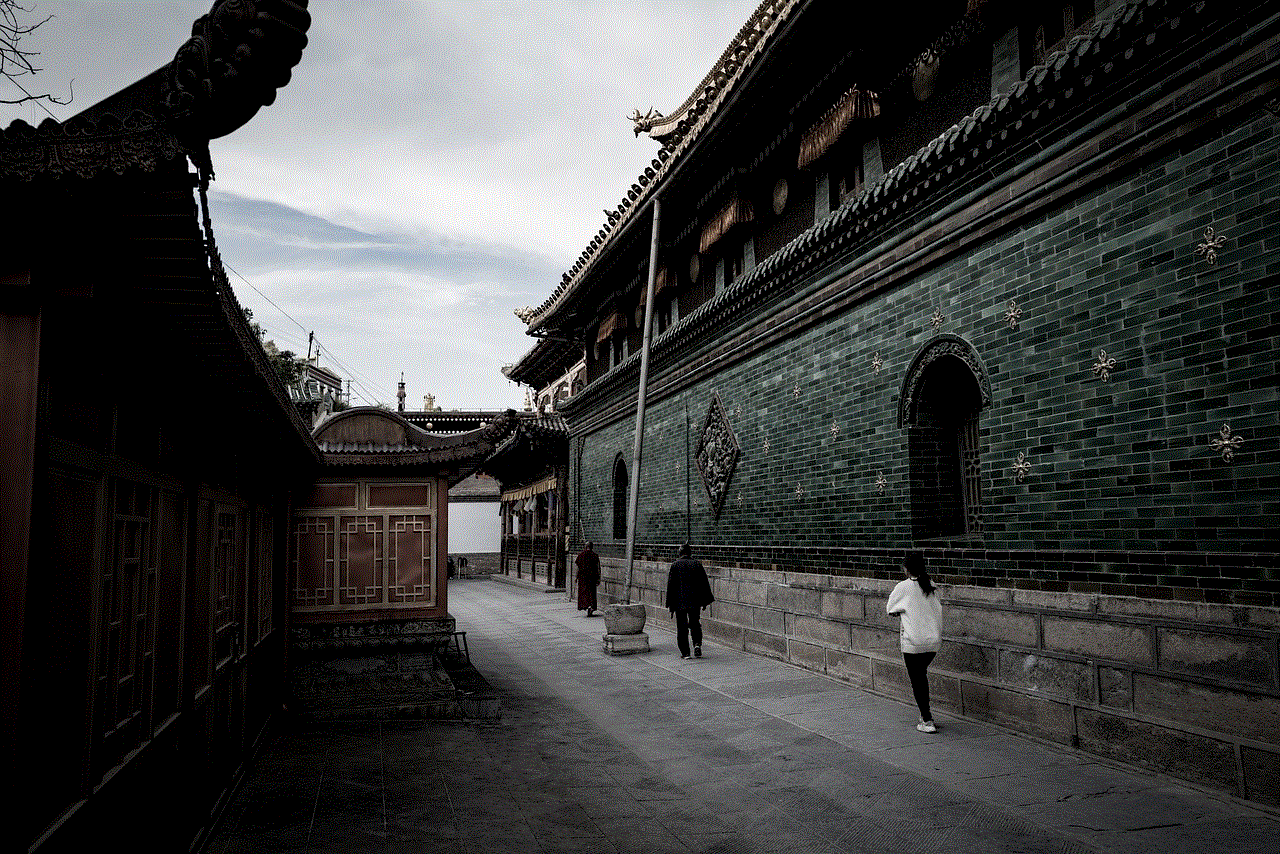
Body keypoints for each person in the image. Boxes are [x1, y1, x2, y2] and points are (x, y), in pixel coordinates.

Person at [886, 551, 943, 733]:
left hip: (913, 642)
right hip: (933, 642)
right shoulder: (930, 584)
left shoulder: (903, 586)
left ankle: (927, 720)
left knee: (917, 680)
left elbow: (890, 609)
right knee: (921, 676)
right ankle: (925, 715)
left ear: (906, 568)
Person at [665, 543, 714, 659]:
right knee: (695, 624)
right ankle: (697, 644)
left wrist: (670, 605)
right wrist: (705, 601)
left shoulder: (675, 565)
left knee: (682, 627)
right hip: (694, 601)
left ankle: (685, 652)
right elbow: (704, 584)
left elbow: (671, 587)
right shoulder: (697, 564)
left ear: (680, 553)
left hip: (680, 602)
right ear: (690, 553)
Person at [575, 541, 601, 617]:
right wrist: (599, 578)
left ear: (585, 546)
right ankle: (591, 606)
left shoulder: (581, 555)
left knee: (584, 592)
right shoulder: (595, 556)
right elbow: (598, 568)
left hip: (583, 578)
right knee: (592, 593)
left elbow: (578, 568)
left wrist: (576, 577)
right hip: (592, 578)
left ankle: (586, 606)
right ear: (592, 547)